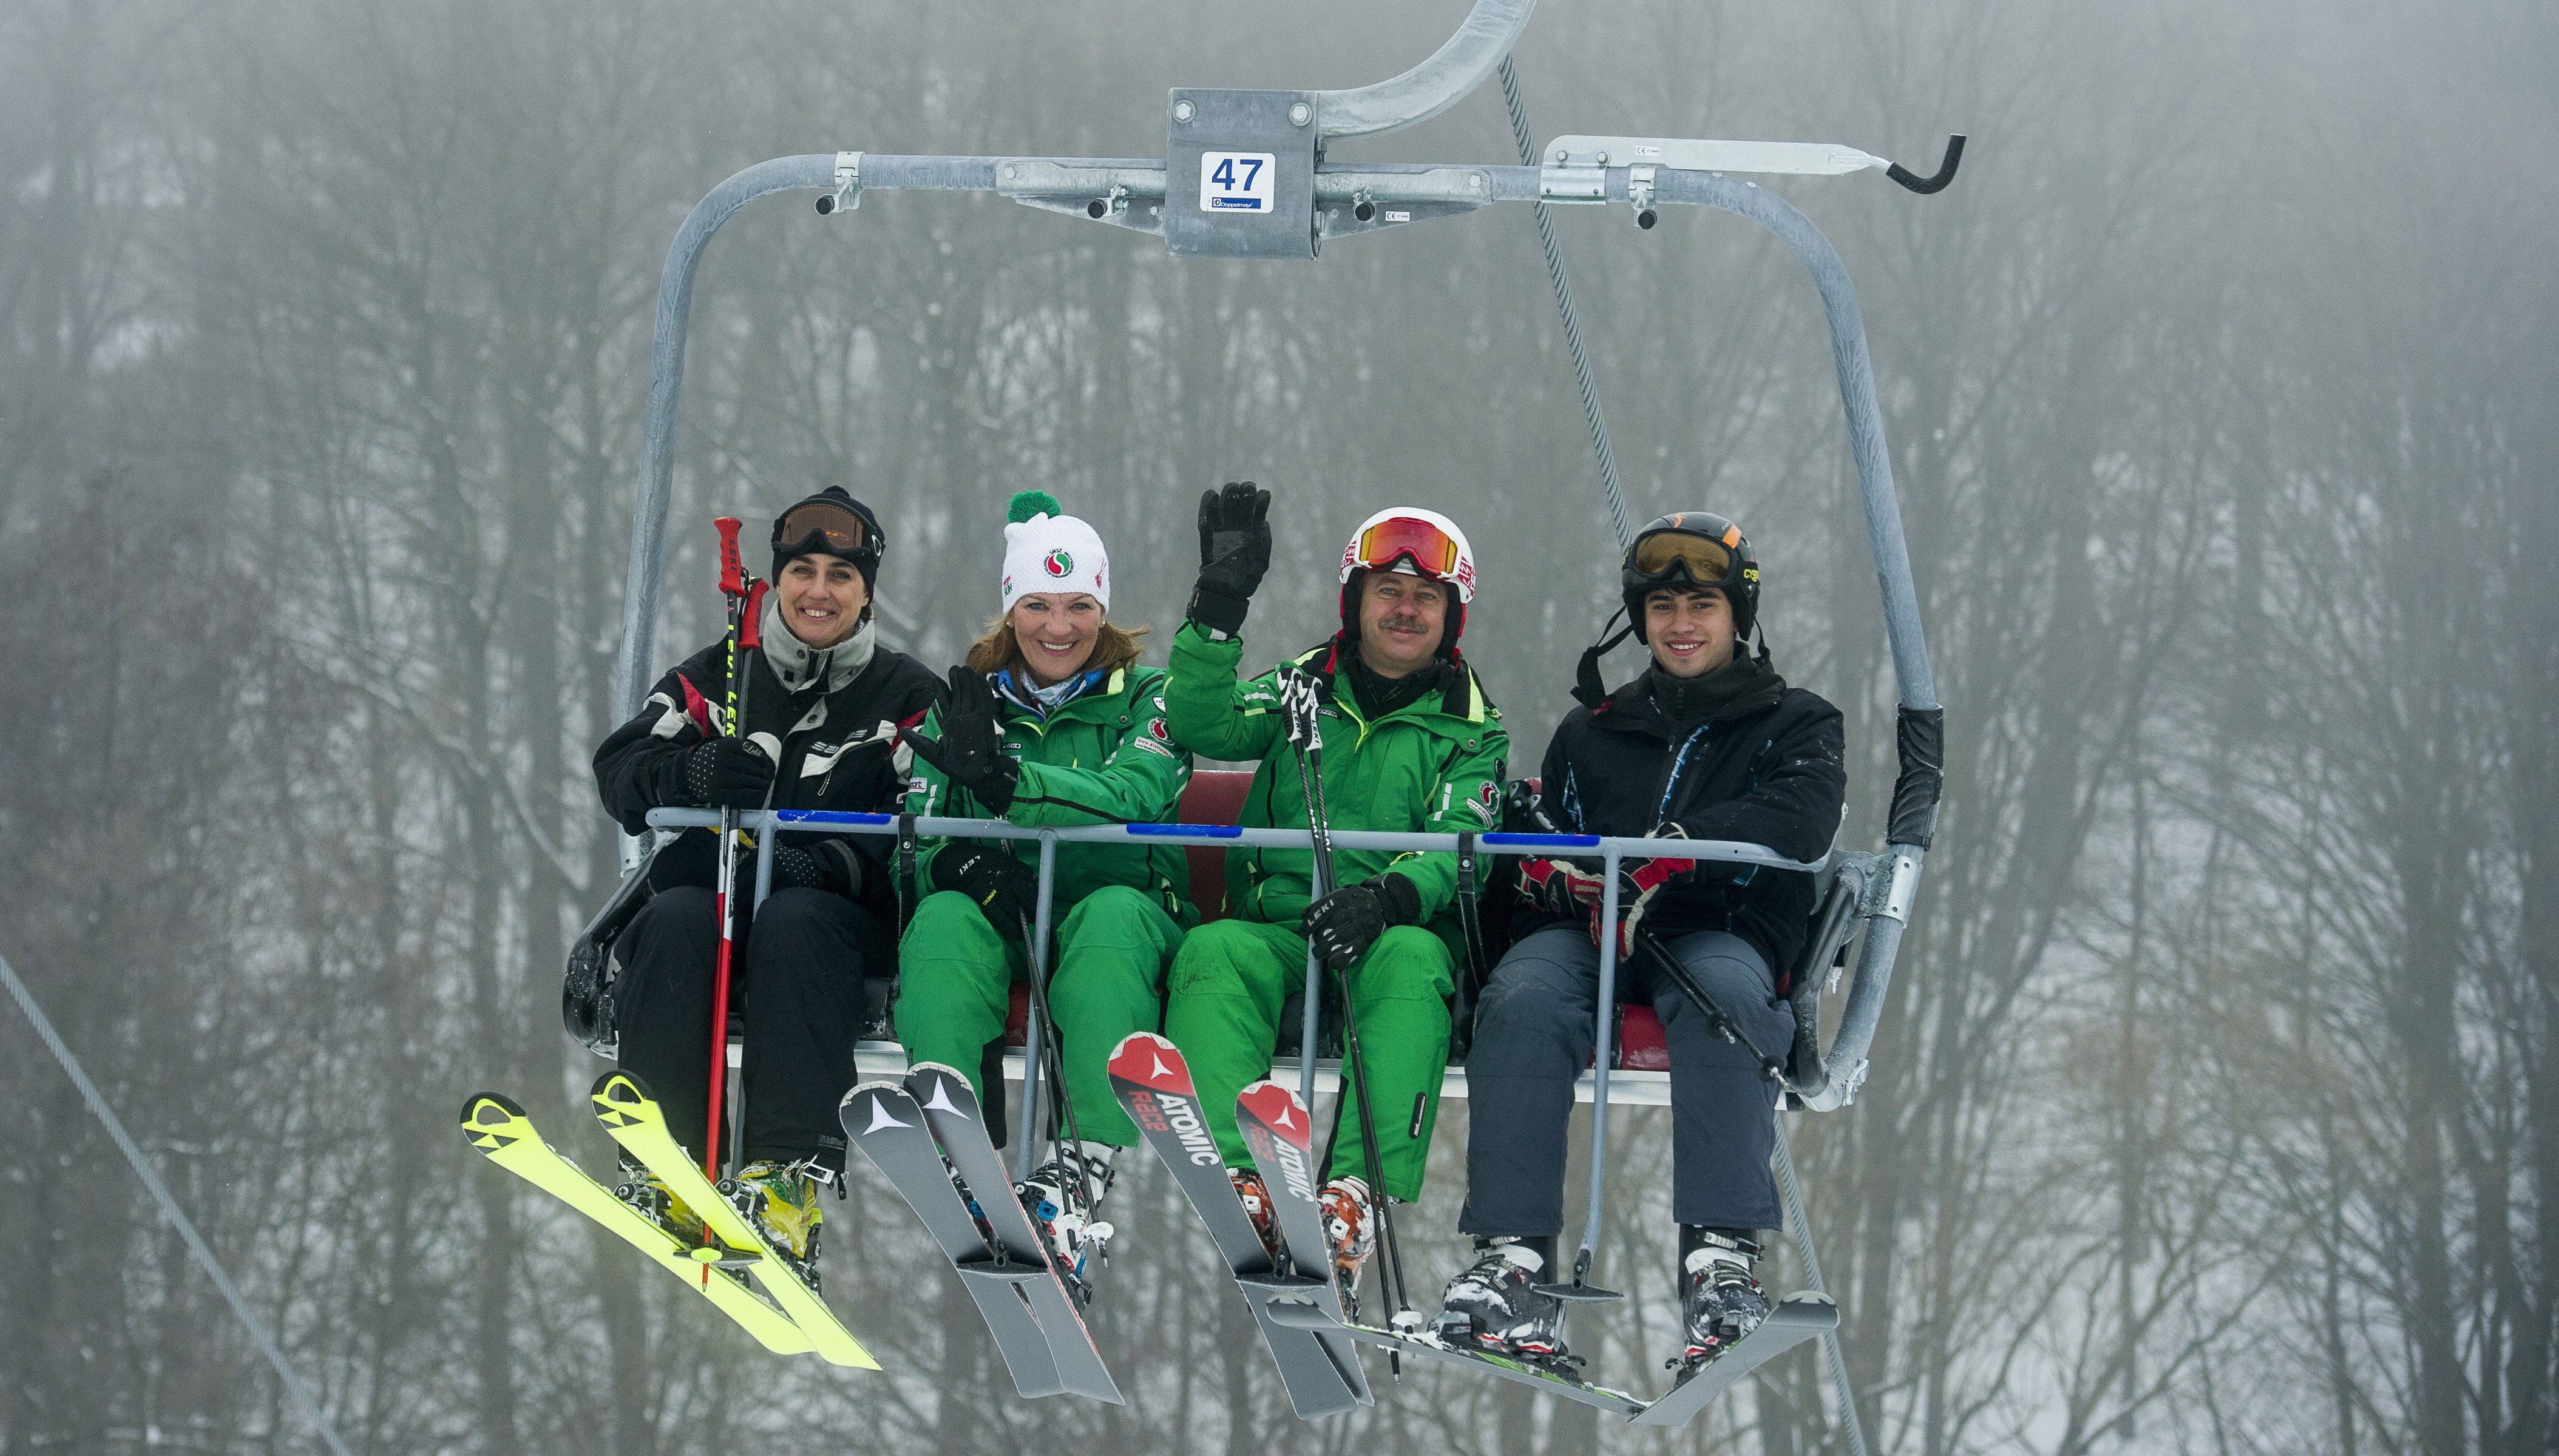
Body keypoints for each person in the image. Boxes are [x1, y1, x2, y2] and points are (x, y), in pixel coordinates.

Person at [1435, 512, 1846, 1373]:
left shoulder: (1797, 724)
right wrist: (1548, 872)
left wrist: (1673, 853)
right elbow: (1551, 833)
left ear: (1739, 616)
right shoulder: (1596, 731)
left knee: (1728, 1004)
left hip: (1716, 930)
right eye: (1662, 606)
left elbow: (1800, 820)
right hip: (1587, 936)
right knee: (1520, 998)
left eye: (1701, 603)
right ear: (1639, 620)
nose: (1681, 623)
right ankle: (1514, 1259)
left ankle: (1721, 1255)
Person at [1160, 483, 1508, 1305]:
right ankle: (1240, 1181)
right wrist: (1218, 608)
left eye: (1427, 597)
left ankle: (1351, 1194)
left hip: (1388, 934)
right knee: (1214, 949)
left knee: (1417, 963)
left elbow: (1466, 843)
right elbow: (1200, 723)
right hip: (1282, 927)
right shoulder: (1298, 688)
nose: (1405, 610)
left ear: (1451, 617)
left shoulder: (1472, 729)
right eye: (1388, 590)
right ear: (1355, 600)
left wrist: (1388, 899)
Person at [591, 486, 941, 1288]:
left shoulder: (906, 698)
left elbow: (930, 820)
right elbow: (620, 772)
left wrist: (832, 864)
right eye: (803, 571)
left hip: (836, 916)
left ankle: (785, 1176)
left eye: (841, 578)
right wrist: (695, 768)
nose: (819, 591)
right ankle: (669, 1164)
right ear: (776, 580)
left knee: (795, 923)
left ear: (867, 593)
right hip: (718, 898)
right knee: (673, 918)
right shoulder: (721, 677)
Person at [895, 490, 1196, 1286]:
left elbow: (1134, 794)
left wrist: (1006, 783)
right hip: (1003, 917)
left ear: (1103, 609)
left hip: (1122, 909)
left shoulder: (1150, 699)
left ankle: (1081, 1166)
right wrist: (955, 866)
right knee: (942, 922)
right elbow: (922, 835)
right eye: (1037, 605)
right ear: (1009, 610)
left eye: (1077, 607)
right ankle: (961, 1145)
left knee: (1107, 921)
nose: (1057, 629)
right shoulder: (965, 706)